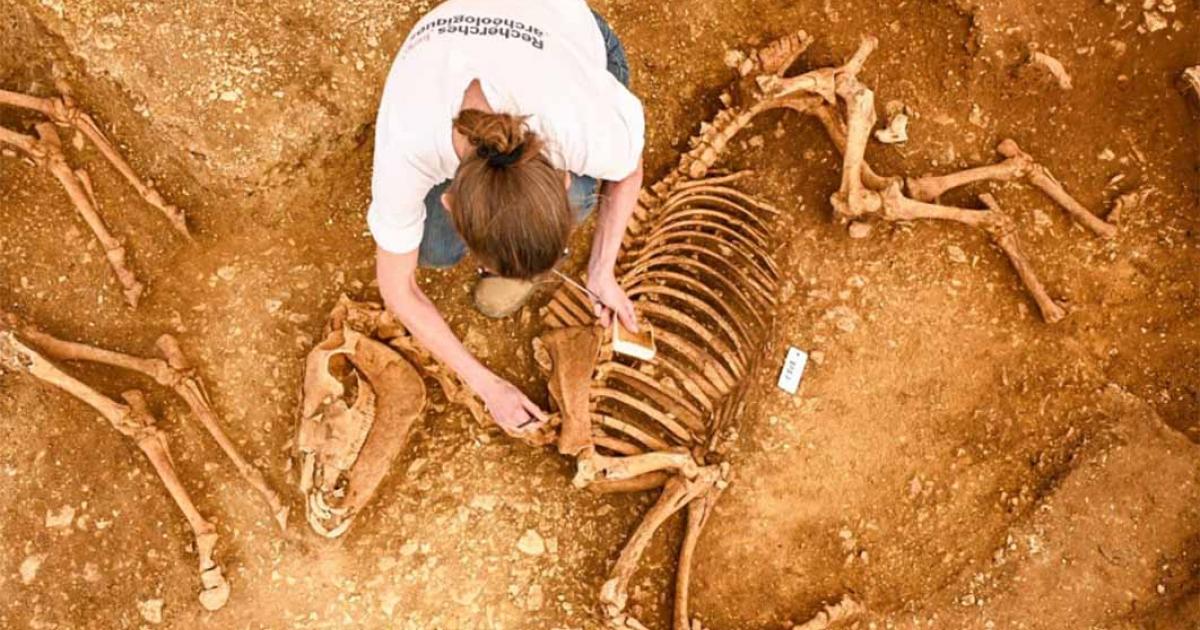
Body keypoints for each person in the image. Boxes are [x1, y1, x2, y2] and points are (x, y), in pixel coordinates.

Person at [368, 0, 645, 436]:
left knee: (585, 196)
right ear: (450, 201)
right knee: (434, 250)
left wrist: (602, 269)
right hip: (447, 45)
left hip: (569, 37)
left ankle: (525, 249)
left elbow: (628, 170)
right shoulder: (407, 141)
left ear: (560, 176)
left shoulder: (581, 122)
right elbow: (397, 288)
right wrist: (485, 385)